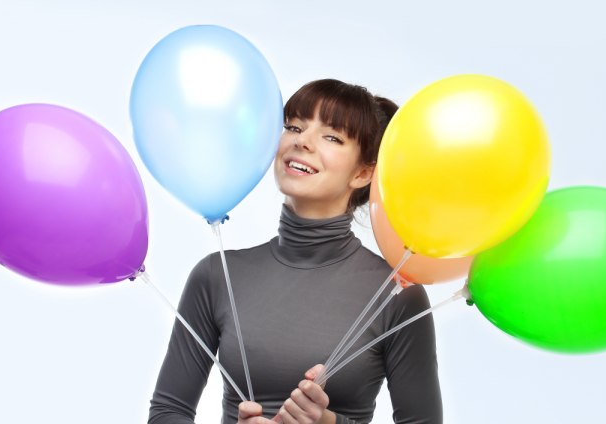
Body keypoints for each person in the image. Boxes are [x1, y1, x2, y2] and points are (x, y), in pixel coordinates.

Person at [148, 79, 443, 424]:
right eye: (293, 126)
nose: (301, 140)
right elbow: (168, 413)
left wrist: (329, 423)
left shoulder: (397, 294)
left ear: (364, 173)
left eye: (331, 137)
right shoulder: (216, 275)